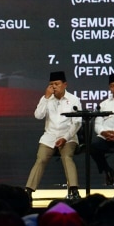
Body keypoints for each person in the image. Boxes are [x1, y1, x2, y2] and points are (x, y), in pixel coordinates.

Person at [24, 71, 83, 200]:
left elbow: (77, 123)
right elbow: (38, 116)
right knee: (41, 159)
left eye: (57, 84)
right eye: (51, 84)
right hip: (49, 136)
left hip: (68, 136)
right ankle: (28, 191)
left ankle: (74, 190)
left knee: (67, 157)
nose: (54, 87)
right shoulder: (46, 98)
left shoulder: (74, 99)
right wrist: (45, 98)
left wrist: (65, 138)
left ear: (65, 84)